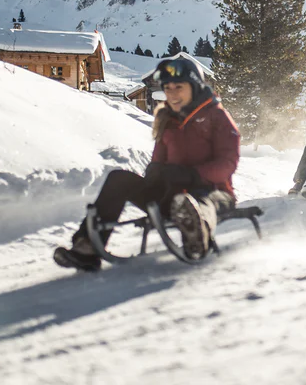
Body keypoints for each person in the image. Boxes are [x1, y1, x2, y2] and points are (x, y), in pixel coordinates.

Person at [53, 57, 240, 271]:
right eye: (168, 88)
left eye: (179, 87)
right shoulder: (168, 120)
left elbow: (228, 163)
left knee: (202, 201)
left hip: (213, 192)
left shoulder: (217, 116)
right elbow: (159, 159)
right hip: (171, 196)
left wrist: (192, 175)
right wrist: (155, 171)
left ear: (195, 86)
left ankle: (198, 235)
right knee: (119, 179)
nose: (172, 94)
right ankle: (86, 247)